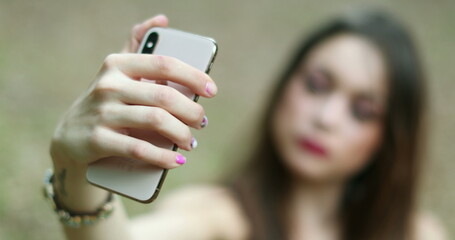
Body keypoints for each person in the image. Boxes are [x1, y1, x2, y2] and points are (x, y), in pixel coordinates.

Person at [47, 9, 448, 240]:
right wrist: (74, 168)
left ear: (391, 139)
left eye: (362, 111)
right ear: (284, 86)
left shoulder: (418, 234)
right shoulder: (218, 217)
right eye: (316, 85)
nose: (325, 119)